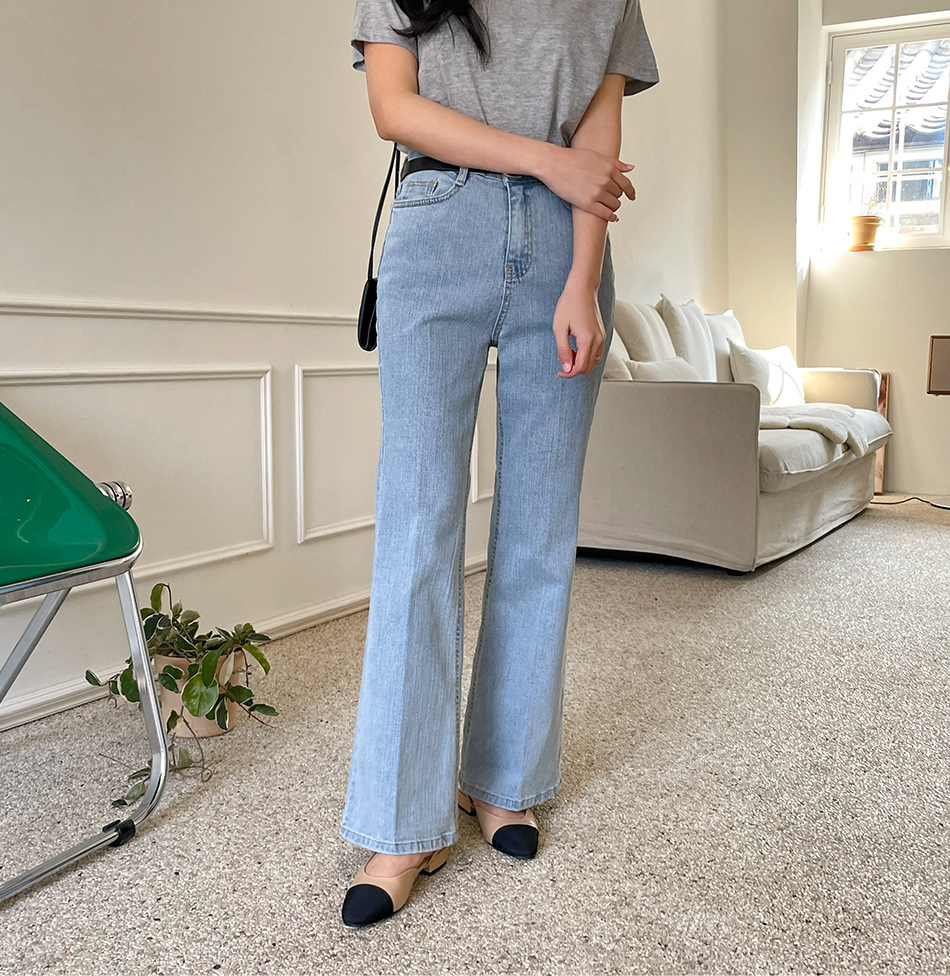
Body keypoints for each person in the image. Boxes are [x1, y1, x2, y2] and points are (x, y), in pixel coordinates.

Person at [340, 0, 658, 928]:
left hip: (566, 244)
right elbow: (394, 108)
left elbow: (598, 135)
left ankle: (504, 779)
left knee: (540, 528)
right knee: (416, 526)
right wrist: (545, 161)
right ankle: (403, 822)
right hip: (438, 223)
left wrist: (583, 279)